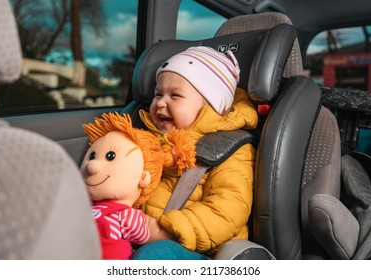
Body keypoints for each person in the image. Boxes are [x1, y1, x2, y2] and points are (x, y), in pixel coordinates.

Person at [132, 46, 258, 260]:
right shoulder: (147, 137)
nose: (161, 102)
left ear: (211, 105)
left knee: (154, 255)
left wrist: (165, 232)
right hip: (140, 233)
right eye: (157, 94)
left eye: (175, 95)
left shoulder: (231, 149)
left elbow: (227, 210)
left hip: (197, 248)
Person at [80, 112, 196, 259]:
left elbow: (151, 231)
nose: (92, 165)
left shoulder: (124, 216)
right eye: (92, 156)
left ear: (143, 178)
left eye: (111, 157)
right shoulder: (80, 204)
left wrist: (179, 234)